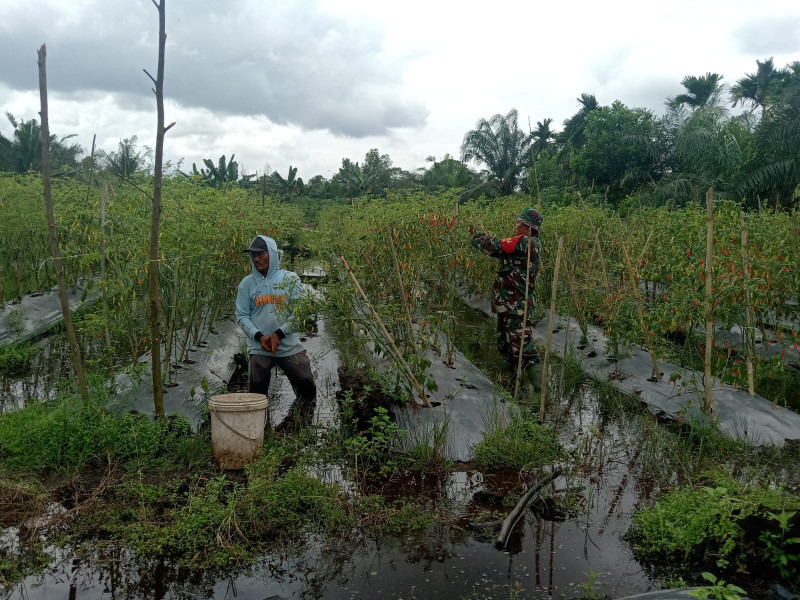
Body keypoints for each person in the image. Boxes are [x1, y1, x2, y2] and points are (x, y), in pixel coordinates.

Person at [235, 235, 316, 428]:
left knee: (307, 388)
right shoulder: (247, 284)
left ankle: (301, 426)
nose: (256, 258)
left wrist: (278, 334)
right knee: (257, 395)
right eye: (253, 255)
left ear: (272, 253)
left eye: (261, 253)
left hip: (288, 345)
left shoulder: (289, 279)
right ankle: (261, 431)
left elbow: (298, 312)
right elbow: (242, 315)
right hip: (259, 346)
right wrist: (260, 336)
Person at [469, 207, 544, 393]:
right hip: (507, 306)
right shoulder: (522, 245)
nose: (515, 225)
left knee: (524, 349)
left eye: (519, 222)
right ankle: (514, 384)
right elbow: (500, 251)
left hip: (518, 305)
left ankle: (541, 394)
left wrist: (477, 235)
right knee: (504, 345)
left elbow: (495, 246)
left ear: (527, 228)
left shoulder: (526, 242)